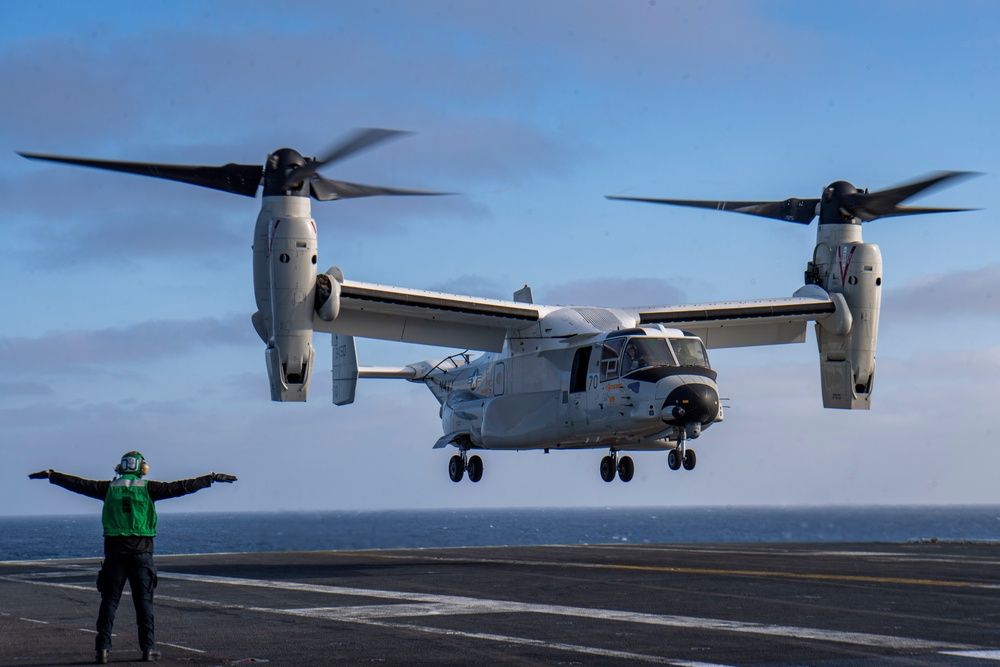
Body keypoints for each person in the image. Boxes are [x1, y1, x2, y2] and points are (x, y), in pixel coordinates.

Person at [29, 451, 237, 664]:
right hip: (142, 553)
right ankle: (148, 649)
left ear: (120, 467)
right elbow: (181, 487)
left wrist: (51, 475)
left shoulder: (108, 489)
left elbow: (79, 484)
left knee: (109, 601)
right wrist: (210, 478)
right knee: (144, 602)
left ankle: (102, 650)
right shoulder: (149, 488)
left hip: (114, 553)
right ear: (141, 468)